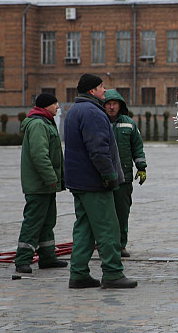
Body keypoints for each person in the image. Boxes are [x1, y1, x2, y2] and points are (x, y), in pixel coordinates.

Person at [63, 73, 137, 289]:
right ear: (92, 91)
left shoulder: (75, 110)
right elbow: (98, 150)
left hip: (80, 182)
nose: (105, 91)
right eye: (101, 87)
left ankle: (78, 274)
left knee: (84, 228)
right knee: (108, 227)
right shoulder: (92, 112)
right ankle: (113, 273)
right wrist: (109, 175)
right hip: (95, 182)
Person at [14, 93, 68, 274]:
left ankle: (47, 258)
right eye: (55, 104)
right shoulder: (38, 125)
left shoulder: (45, 122)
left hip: (45, 185)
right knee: (34, 222)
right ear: (46, 106)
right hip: (39, 185)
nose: (58, 107)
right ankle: (22, 259)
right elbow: (39, 155)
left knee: (47, 221)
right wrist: (51, 178)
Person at [103, 89, 147, 257]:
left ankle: (121, 245)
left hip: (124, 177)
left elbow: (137, 147)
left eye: (114, 104)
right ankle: (105, 245)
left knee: (122, 212)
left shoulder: (129, 123)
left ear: (120, 105)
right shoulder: (99, 121)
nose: (111, 107)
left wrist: (141, 167)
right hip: (103, 177)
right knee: (104, 214)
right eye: (108, 104)